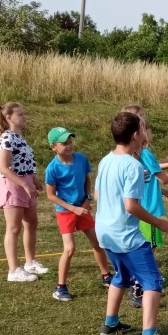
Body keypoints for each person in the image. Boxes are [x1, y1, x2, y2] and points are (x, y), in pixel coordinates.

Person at [95, 111, 168, 335]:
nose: (144, 134)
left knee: (121, 276)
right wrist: (159, 223)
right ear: (135, 135)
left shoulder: (106, 160)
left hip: (105, 232)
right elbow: (131, 206)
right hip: (126, 236)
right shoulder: (133, 166)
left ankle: (110, 323)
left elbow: (99, 196)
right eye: (142, 130)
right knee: (152, 281)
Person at [123, 104, 168, 307]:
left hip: (139, 209)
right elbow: (163, 177)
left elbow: (149, 176)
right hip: (150, 211)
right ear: (139, 131)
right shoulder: (144, 153)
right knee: (147, 251)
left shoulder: (133, 154)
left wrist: (164, 189)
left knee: (141, 249)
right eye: (147, 126)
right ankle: (138, 289)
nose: (150, 131)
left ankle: (134, 284)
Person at [44, 127, 112, 301]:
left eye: (70, 142)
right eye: (63, 143)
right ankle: (60, 287)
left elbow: (87, 180)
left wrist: (87, 199)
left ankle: (106, 276)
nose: (68, 145)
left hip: (83, 207)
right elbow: (51, 195)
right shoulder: (52, 168)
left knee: (98, 242)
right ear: (53, 147)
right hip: (66, 212)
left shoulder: (81, 159)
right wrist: (72, 208)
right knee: (70, 249)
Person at [0, 102, 48, 282]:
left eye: (24, 114)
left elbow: (25, 162)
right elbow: (4, 167)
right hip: (13, 186)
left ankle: (30, 262)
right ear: (9, 117)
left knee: (31, 223)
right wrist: (24, 184)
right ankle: (13, 270)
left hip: (26, 185)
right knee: (14, 227)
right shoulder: (6, 138)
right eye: (21, 115)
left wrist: (34, 180)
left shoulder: (19, 137)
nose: (25, 117)